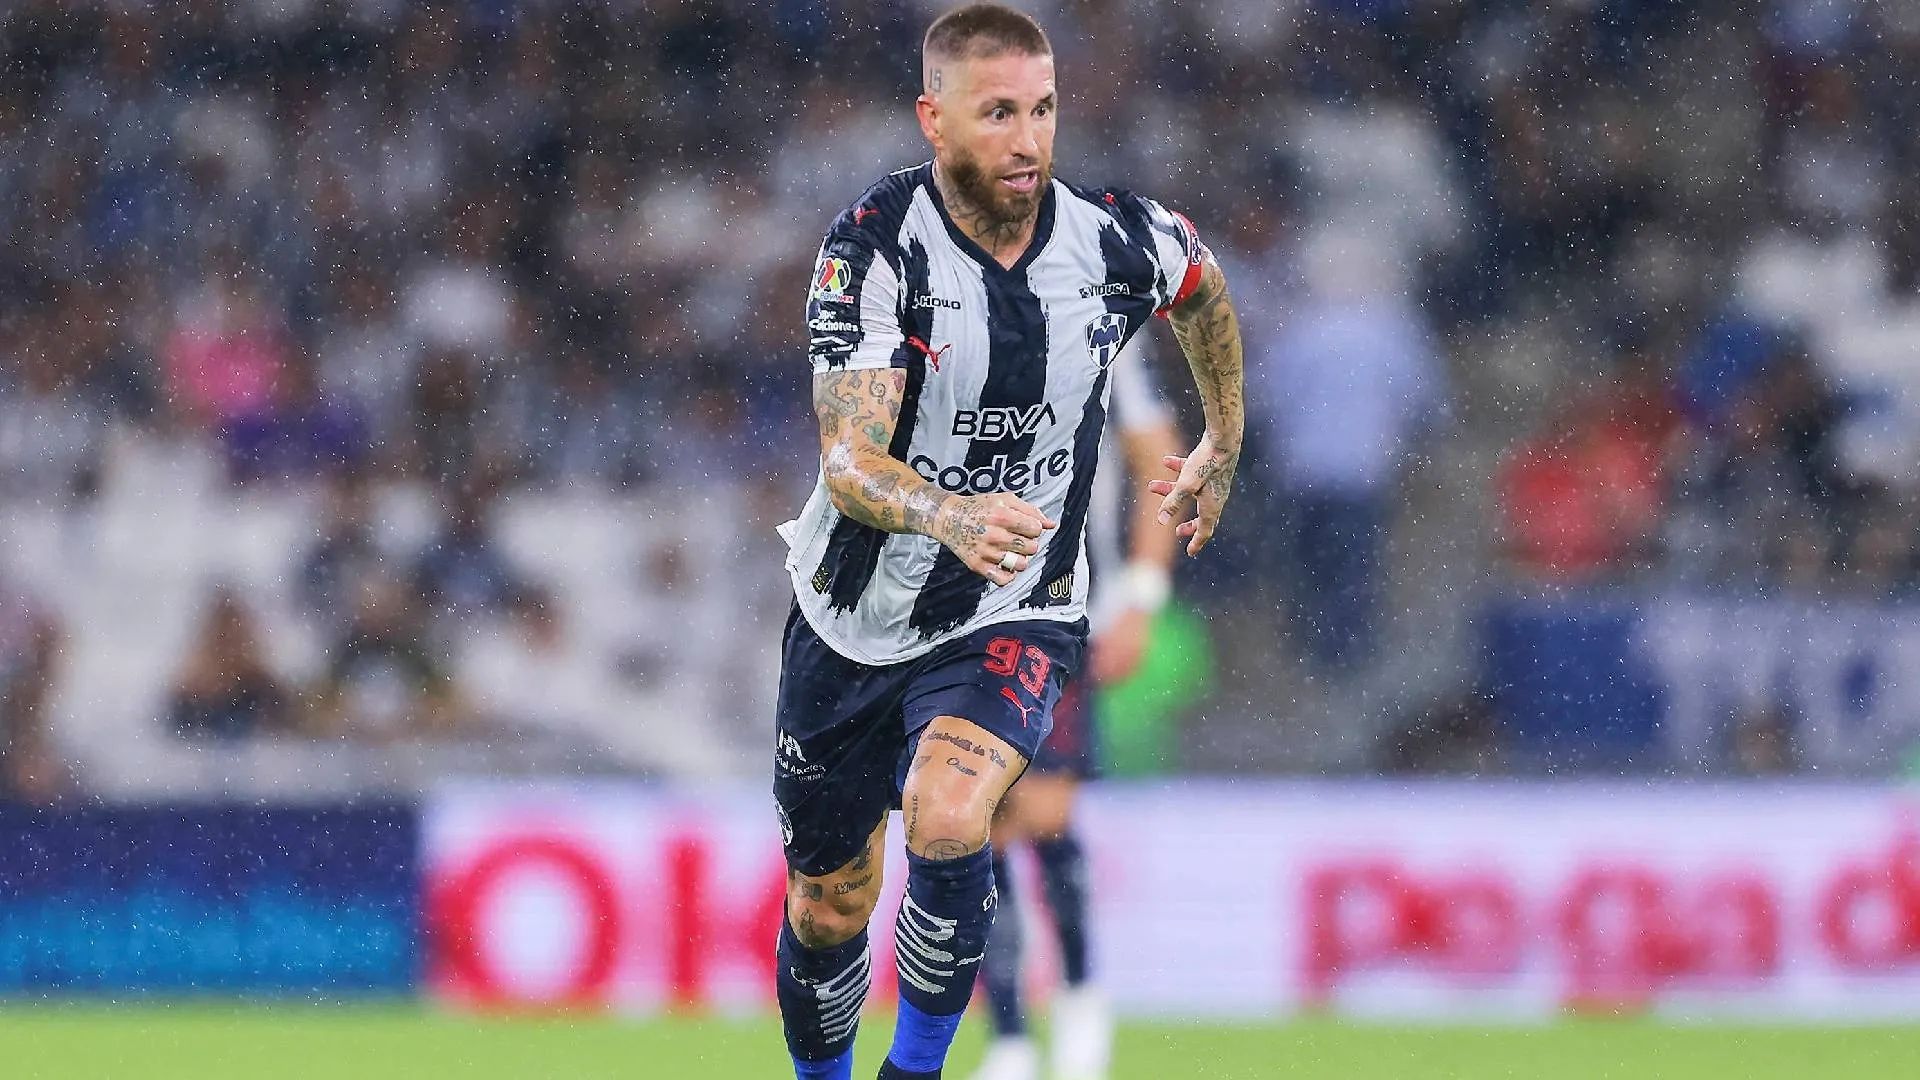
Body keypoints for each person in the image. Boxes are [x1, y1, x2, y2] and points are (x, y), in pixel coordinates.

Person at [769, 7, 1245, 1080]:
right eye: (998, 115)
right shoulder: (872, 248)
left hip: (1017, 600)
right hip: (851, 618)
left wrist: (1226, 434)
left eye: (1043, 111)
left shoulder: (1113, 241)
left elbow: (1201, 287)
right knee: (829, 900)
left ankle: (948, 1064)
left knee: (952, 815)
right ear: (934, 121)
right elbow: (847, 458)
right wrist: (948, 512)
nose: (1029, 140)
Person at [971, 346, 1181, 1080]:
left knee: (1045, 813)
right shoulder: (942, 321)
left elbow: (1158, 453)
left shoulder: (1100, 335)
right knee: (973, 826)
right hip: (957, 625)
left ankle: (1082, 1003)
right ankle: (1009, 1039)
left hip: (1063, 616)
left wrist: (1142, 594)